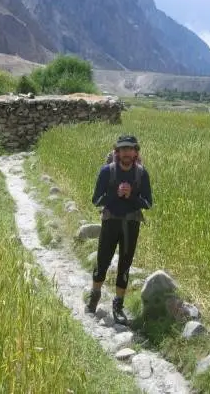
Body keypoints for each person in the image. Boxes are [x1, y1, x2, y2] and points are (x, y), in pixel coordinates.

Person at [85, 135, 153, 325]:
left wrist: (131, 196)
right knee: (102, 262)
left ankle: (118, 306)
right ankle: (94, 296)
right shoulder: (107, 172)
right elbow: (96, 200)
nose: (126, 153)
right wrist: (115, 195)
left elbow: (148, 203)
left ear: (135, 152)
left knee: (125, 266)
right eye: (122, 149)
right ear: (117, 152)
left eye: (129, 149)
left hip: (131, 225)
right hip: (110, 222)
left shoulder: (141, 174)